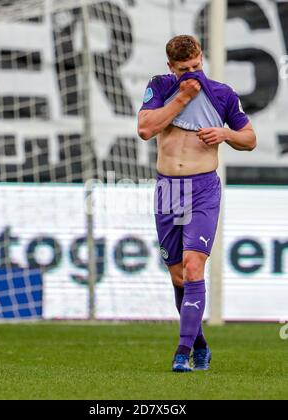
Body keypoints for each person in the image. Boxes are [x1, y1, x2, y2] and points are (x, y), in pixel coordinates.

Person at [138, 35, 257, 373]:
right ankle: (200, 343)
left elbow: (249, 139)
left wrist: (226, 135)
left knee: (193, 267)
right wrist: (183, 98)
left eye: (196, 66)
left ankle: (182, 352)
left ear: (201, 57)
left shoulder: (222, 94)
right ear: (170, 67)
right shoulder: (161, 87)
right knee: (178, 276)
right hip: (168, 190)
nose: (192, 73)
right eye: (184, 69)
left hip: (202, 188)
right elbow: (145, 129)